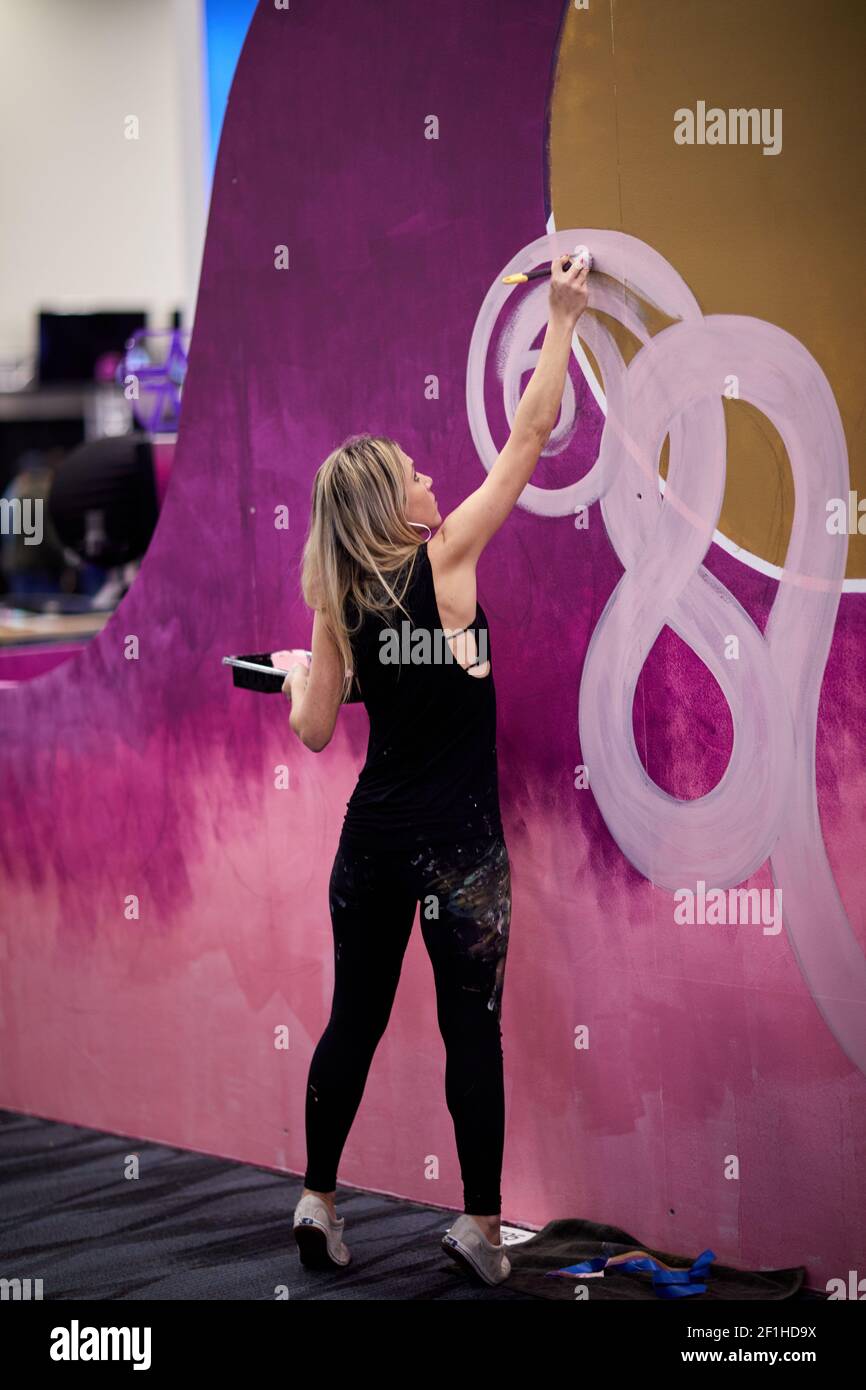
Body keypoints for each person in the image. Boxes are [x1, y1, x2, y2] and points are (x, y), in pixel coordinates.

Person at [282, 253, 589, 1285]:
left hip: (370, 843)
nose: (430, 478)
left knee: (351, 1020)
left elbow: (316, 729)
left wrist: (296, 676)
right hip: (456, 851)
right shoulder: (445, 558)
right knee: (471, 1030)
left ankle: (316, 1196)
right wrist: (561, 318)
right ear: (394, 506)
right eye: (413, 471)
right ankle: (479, 1225)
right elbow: (531, 435)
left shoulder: (338, 602)